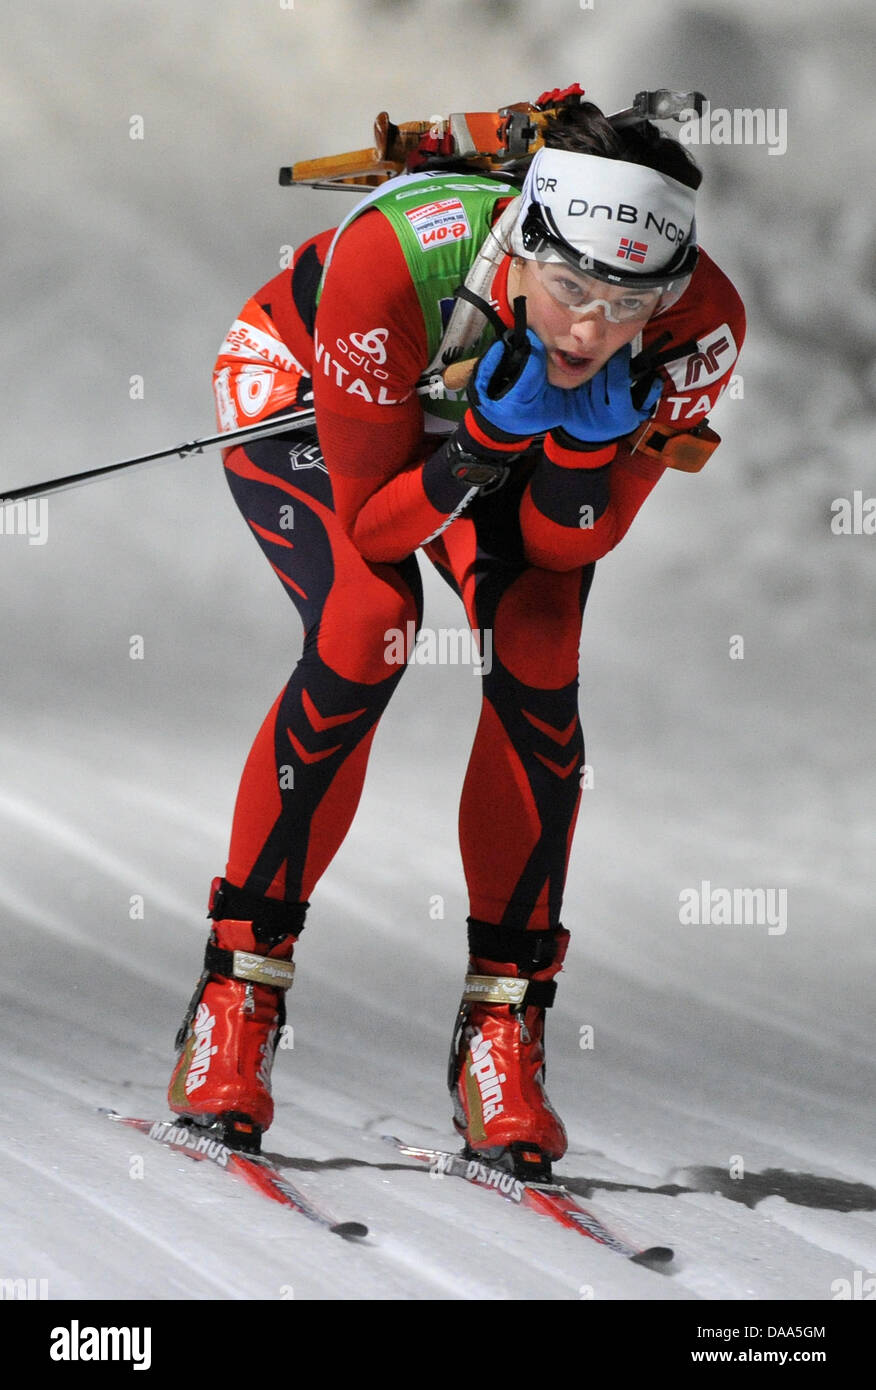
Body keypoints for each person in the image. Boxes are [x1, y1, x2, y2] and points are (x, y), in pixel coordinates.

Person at [167, 88, 745, 1179]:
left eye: (628, 305)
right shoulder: (399, 257)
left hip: (481, 434)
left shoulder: (699, 326)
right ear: (523, 243)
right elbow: (377, 514)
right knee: (370, 620)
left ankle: (505, 1028)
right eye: (571, 287)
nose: (589, 330)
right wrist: (482, 436)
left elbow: (571, 546)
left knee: (538, 641)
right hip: (315, 389)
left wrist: (577, 452)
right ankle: (236, 994)